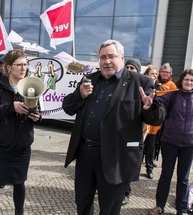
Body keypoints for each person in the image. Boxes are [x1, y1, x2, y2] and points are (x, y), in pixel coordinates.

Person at [62, 39, 165, 214]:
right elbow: (68, 107)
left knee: (109, 209)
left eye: (111, 56)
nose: (107, 61)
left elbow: (157, 119)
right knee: (82, 203)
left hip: (116, 158)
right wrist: (80, 95)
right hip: (86, 153)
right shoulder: (90, 79)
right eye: (103, 57)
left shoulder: (141, 82)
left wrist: (150, 108)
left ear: (122, 58)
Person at [0, 50, 41, 215]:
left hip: (21, 147)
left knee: (19, 183)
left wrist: (37, 117)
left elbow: (38, 111)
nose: (24, 68)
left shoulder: (31, 86)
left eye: (25, 64)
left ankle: (19, 213)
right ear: (8, 67)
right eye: (19, 64)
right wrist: (11, 107)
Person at [149, 69, 193, 215]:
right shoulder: (171, 96)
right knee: (165, 175)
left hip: (190, 144)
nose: (189, 82)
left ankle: (181, 209)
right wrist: (151, 97)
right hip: (170, 142)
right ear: (182, 81)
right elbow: (157, 101)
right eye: (187, 79)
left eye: (192, 80)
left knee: (183, 178)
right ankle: (159, 206)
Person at [121, 58, 143, 206]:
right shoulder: (118, 85)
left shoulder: (142, 88)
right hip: (116, 133)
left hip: (131, 134)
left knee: (127, 166)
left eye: (132, 68)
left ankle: (125, 193)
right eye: (127, 67)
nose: (129, 70)